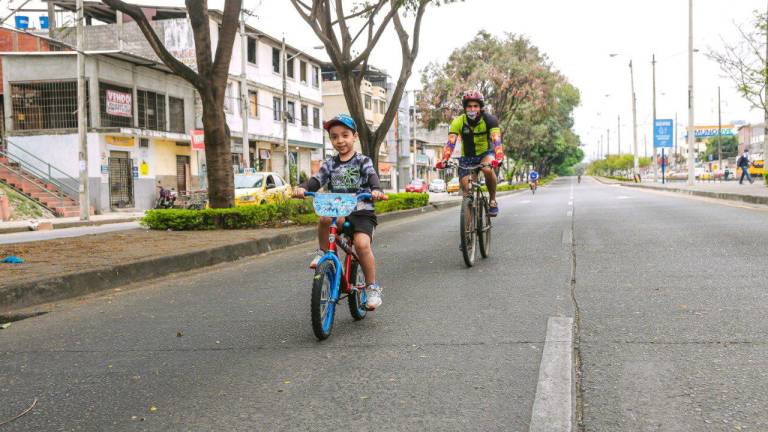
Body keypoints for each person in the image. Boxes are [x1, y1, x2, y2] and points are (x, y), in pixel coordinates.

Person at [293, 114, 386, 310]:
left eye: (345, 135)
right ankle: (323, 252)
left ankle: (371, 287)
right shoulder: (330, 163)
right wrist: (302, 187)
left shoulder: (363, 161)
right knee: (325, 218)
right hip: (340, 208)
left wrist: (376, 190)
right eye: (334, 137)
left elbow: (372, 177)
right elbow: (316, 180)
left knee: (361, 245)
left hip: (362, 211)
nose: (340, 140)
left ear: (355, 137)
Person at [435, 90, 504, 216]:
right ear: (465, 108)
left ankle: (493, 200)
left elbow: (497, 141)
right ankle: (467, 230)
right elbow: (451, 143)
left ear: (480, 107)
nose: (472, 109)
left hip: (485, 154)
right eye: (469, 106)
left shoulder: (490, 120)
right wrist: (444, 159)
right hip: (466, 158)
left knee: (488, 169)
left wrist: (499, 157)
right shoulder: (458, 122)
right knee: (467, 192)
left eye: (475, 106)